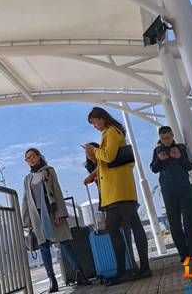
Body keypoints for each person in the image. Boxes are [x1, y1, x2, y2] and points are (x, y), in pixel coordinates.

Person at [83, 107, 151, 285]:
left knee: (129, 227)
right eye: (93, 124)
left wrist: (94, 151)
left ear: (103, 118)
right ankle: (128, 269)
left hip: (118, 192)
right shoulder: (110, 133)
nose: (95, 126)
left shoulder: (112, 132)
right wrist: (92, 175)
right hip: (114, 193)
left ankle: (140, 268)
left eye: (96, 122)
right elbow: (107, 163)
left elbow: (110, 156)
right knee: (118, 230)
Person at [21, 148, 90, 292]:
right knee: (44, 248)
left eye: (33, 156)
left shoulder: (49, 171)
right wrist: (26, 221)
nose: (31, 160)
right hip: (37, 217)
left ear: (39, 157)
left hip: (52, 212)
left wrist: (60, 214)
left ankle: (79, 273)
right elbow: (26, 200)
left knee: (65, 243)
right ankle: (52, 280)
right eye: (28, 158)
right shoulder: (27, 179)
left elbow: (57, 192)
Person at [150, 126, 192, 262]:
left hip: (184, 188)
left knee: (189, 221)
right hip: (168, 190)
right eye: (163, 138)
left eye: (168, 137)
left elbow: (189, 166)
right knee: (174, 223)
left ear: (172, 135)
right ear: (160, 138)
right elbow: (153, 169)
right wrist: (160, 160)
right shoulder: (157, 150)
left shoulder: (180, 148)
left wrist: (179, 157)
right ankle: (184, 255)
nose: (166, 141)